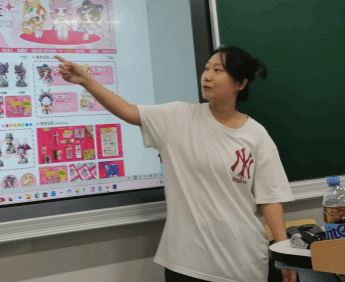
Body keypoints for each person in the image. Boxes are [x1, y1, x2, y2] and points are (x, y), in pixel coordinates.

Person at [56, 47, 296, 282]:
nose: (207, 76)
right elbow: (128, 111)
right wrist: (86, 81)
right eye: (207, 68)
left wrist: (285, 254)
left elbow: (270, 198)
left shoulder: (256, 134)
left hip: (244, 262)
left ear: (240, 83)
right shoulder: (178, 117)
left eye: (218, 70)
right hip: (188, 264)